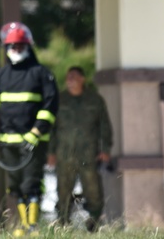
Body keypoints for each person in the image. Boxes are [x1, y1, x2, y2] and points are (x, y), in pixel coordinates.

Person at [0, 22, 58, 237]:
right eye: (12, 46)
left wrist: (36, 131)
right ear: (6, 48)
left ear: (28, 46)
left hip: (33, 140)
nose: (15, 49)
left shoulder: (41, 73)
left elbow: (51, 105)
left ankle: (33, 226)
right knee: (15, 184)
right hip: (9, 140)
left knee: (31, 183)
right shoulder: (2, 75)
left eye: (19, 45)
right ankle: (22, 225)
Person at [47, 66, 113, 232]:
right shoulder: (59, 100)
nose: (70, 80)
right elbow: (52, 129)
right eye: (68, 77)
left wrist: (105, 149)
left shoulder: (94, 100)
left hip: (88, 155)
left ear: (82, 79)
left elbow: (104, 125)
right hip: (64, 154)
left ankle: (94, 223)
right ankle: (62, 224)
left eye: (74, 76)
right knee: (63, 191)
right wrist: (51, 152)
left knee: (93, 191)